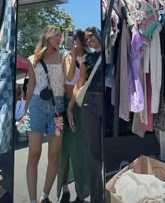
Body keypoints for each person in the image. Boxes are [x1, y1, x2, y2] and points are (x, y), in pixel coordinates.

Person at [20, 25, 76, 203]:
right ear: (47, 36)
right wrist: (25, 110)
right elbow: (30, 86)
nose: (59, 37)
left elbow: (69, 77)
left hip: (57, 109)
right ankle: (33, 200)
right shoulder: (33, 59)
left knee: (54, 154)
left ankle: (45, 195)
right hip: (36, 106)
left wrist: (73, 54)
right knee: (34, 153)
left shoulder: (64, 57)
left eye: (61, 35)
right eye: (56, 34)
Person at [67, 26, 104, 203]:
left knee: (106, 149)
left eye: (92, 36)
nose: (89, 40)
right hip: (89, 103)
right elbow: (79, 84)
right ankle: (97, 197)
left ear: (99, 35)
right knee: (92, 152)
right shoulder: (87, 59)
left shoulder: (110, 54)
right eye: (86, 38)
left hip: (108, 103)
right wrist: (70, 108)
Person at [57, 29, 90, 203]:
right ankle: (64, 189)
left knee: (78, 151)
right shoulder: (66, 57)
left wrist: (70, 108)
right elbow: (68, 77)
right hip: (62, 106)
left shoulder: (88, 59)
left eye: (76, 40)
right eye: (72, 40)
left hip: (77, 107)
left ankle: (81, 193)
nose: (74, 43)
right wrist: (71, 55)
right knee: (62, 151)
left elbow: (80, 84)